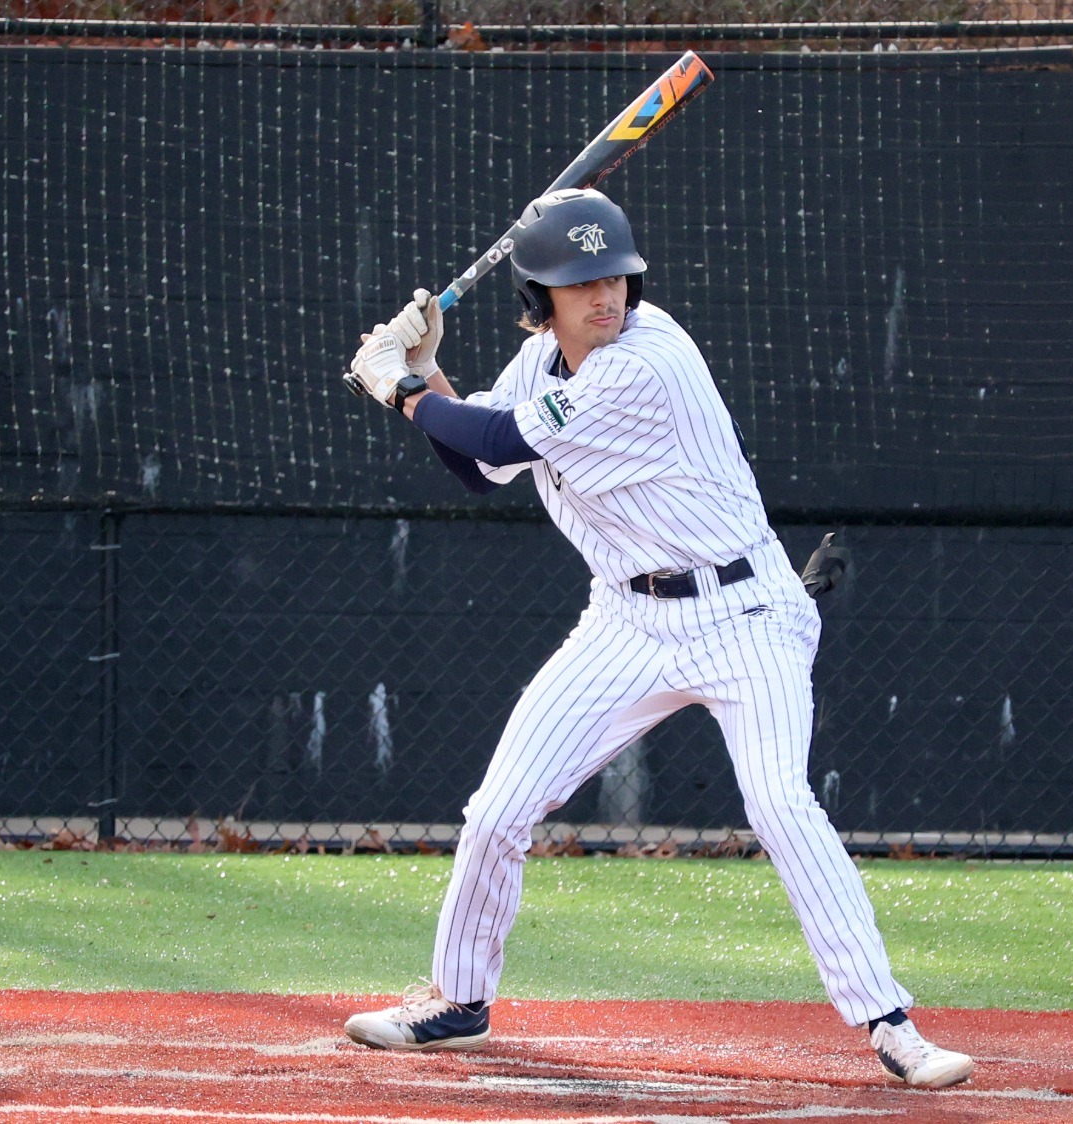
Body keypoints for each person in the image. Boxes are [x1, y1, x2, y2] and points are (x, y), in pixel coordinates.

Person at [338, 189, 974, 1088]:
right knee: (498, 810)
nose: (604, 297)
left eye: (614, 277)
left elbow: (500, 434)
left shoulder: (648, 359)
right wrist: (429, 381)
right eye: (579, 283)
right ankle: (459, 1001)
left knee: (781, 807)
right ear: (540, 298)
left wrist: (396, 384)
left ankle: (892, 1025)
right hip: (628, 619)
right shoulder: (539, 363)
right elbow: (481, 465)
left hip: (744, 616)